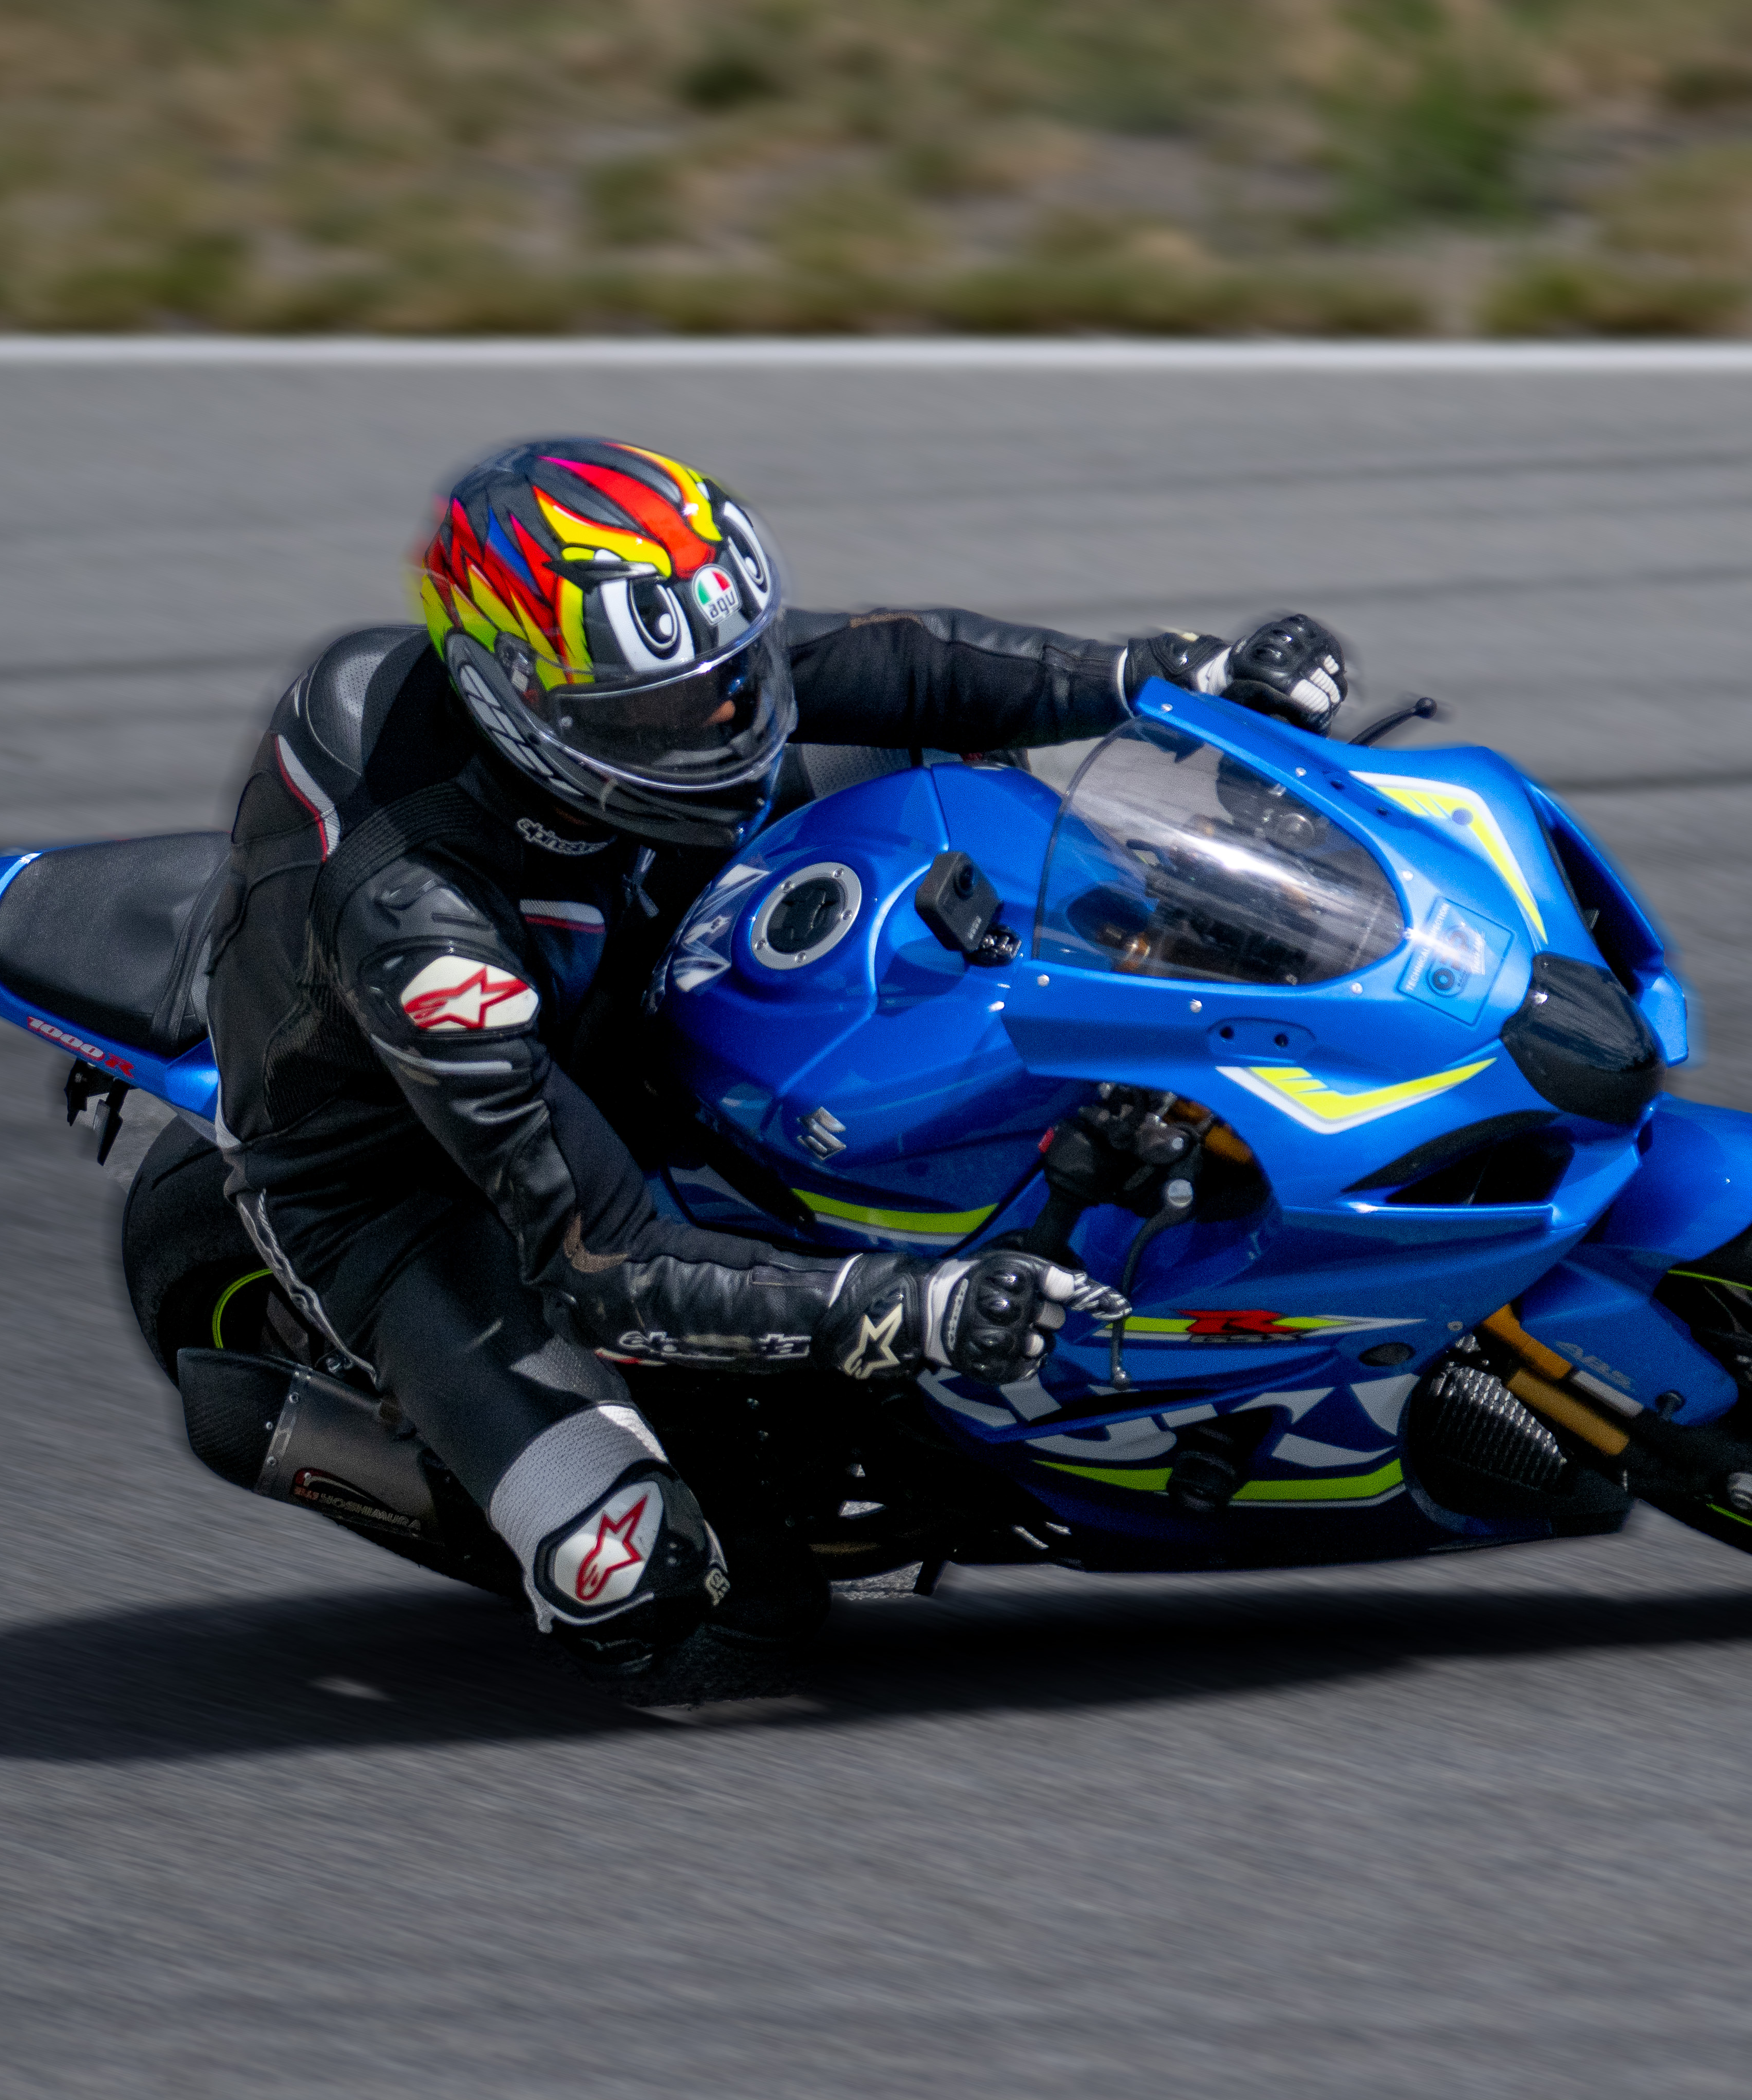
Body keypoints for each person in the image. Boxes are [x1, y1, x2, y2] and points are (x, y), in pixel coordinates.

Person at [202, 436, 1352, 1668]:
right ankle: (464, 1457)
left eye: (723, 677)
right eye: (652, 711)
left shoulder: (638, 675)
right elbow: (608, 1265)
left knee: (947, 785)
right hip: (404, 1174)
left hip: (611, 951)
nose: (712, 719)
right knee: (643, 1580)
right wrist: (915, 1310)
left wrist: (1172, 676)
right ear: (508, 702)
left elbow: (886, 662)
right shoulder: (421, 928)